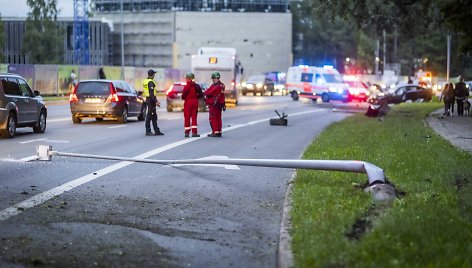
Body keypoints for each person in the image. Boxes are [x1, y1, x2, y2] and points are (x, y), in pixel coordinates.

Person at [143, 69, 164, 136]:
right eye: (154, 74)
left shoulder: (145, 81)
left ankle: (156, 130)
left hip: (148, 100)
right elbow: (152, 94)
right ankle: (148, 131)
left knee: (154, 116)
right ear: (152, 75)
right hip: (151, 101)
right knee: (149, 116)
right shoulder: (150, 82)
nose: (154, 75)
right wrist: (156, 102)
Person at [182, 72, 203, 138]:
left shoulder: (186, 86)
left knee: (187, 118)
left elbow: (183, 96)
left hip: (188, 103)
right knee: (194, 117)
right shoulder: (197, 86)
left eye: (186, 78)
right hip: (195, 102)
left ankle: (187, 133)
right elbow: (201, 94)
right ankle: (194, 132)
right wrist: (196, 97)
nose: (185, 79)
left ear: (189, 79)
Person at [205, 72, 225, 137]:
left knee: (213, 118)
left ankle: (215, 132)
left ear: (214, 78)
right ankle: (219, 131)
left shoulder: (216, 86)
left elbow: (208, 93)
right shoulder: (222, 85)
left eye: (213, 78)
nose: (213, 80)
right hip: (219, 104)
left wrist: (207, 92)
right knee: (218, 118)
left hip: (214, 104)